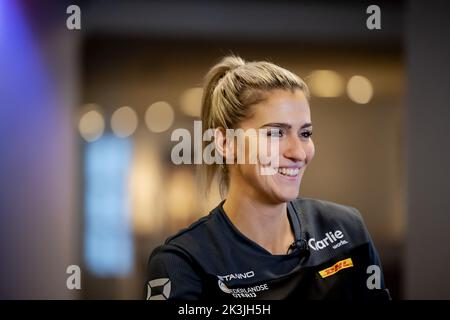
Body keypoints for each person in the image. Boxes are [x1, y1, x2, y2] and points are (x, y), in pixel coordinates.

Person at [145, 55, 390, 300]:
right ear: (226, 142)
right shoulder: (183, 262)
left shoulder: (346, 229)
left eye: (305, 133)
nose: (298, 152)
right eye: (275, 133)